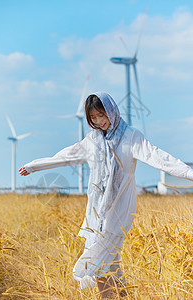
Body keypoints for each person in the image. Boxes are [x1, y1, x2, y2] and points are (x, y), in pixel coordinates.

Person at [19, 92, 193, 299]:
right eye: (94, 118)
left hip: (120, 208)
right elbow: (65, 156)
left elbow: (161, 159)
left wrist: (190, 174)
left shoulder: (131, 136)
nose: (99, 122)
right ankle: (120, 297)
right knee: (108, 263)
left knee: (99, 261)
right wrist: (33, 166)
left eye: (102, 115)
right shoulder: (92, 141)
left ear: (111, 111)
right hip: (96, 213)